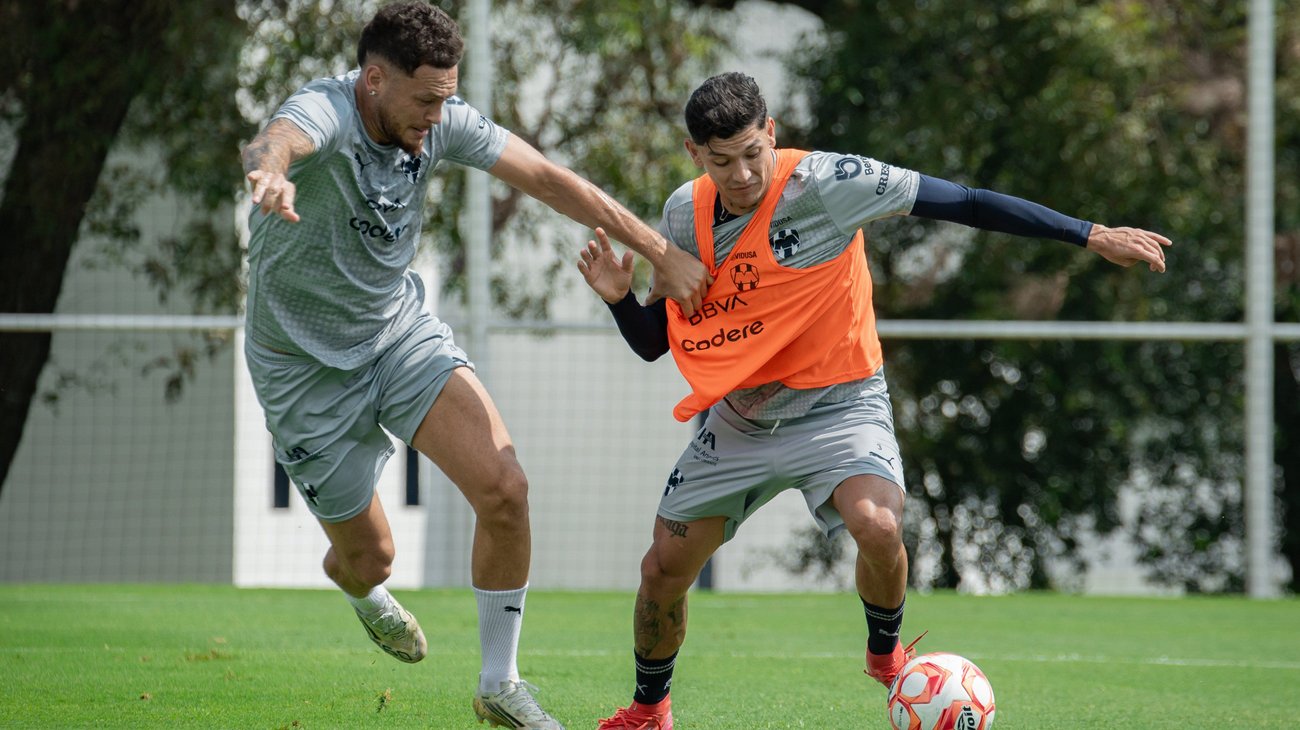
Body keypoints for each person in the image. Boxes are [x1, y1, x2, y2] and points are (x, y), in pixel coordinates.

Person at [577, 71, 1171, 729]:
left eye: (753, 152)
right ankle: (648, 710)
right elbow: (656, 343)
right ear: (696, 155)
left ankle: (887, 658)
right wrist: (617, 297)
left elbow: (965, 202)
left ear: (771, 133)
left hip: (840, 406)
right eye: (722, 161)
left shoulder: (832, 184)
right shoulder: (682, 217)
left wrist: (1089, 234)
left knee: (880, 525)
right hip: (740, 422)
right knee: (661, 570)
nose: (742, 173)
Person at [240, 4, 711, 729]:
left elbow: (552, 180)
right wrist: (272, 174)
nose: (439, 113)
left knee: (506, 489)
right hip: (301, 368)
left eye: (447, 96)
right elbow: (279, 139)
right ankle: (354, 582)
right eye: (425, 98)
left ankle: (499, 685)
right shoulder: (326, 110)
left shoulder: (442, 119)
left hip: (397, 336)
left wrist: (659, 251)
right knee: (373, 559)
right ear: (373, 80)